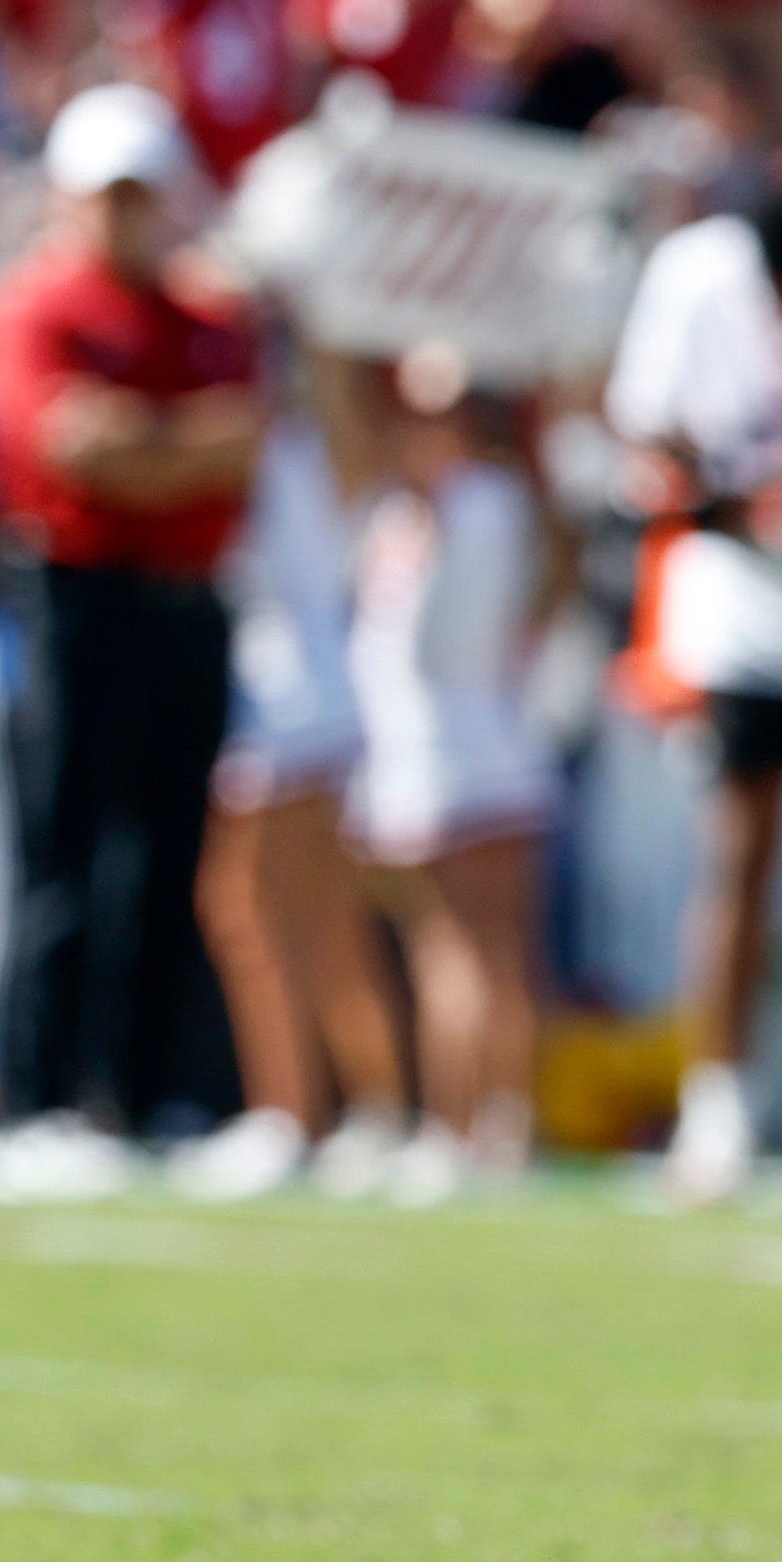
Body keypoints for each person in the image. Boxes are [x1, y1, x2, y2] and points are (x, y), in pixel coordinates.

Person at [0, 84, 267, 1199]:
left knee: (168, 853)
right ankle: (36, 1097)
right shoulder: (32, 308)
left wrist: (145, 445)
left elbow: (234, 448)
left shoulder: (209, 321)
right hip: (72, 592)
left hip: (184, 600)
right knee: (62, 848)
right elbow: (68, 446)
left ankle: (145, 1096)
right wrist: (168, 448)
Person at [602, 187, 782, 1211]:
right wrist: (687, 484)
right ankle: (719, 1112)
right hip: (741, 633)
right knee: (738, 864)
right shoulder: (693, 278)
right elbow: (644, 427)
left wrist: (768, 476)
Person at [333, 348, 565, 1199]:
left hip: (458, 750)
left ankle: (463, 1125)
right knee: (478, 952)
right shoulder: (427, 511)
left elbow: (447, 637)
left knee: (461, 954)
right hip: (459, 750)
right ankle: (489, 1123)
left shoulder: (472, 507)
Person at [176, 358, 404, 1199]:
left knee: (255, 915)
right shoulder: (311, 445)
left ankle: (294, 1114)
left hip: (284, 696)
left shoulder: (280, 444)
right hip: (303, 689)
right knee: (314, 921)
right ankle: (371, 1112)